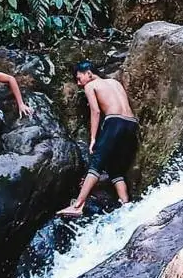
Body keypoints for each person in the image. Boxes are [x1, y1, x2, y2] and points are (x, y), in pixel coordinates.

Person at [57, 61, 138, 218]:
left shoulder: (91, 85)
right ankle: (126, 205)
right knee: (116, 170)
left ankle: (78, 205)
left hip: (114, 122)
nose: (79, 84)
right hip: (131, 123)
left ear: (89, 73)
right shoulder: (115, 82)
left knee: (96, 162)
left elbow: (95, 111)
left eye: (79, 79)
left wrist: (93, 138)